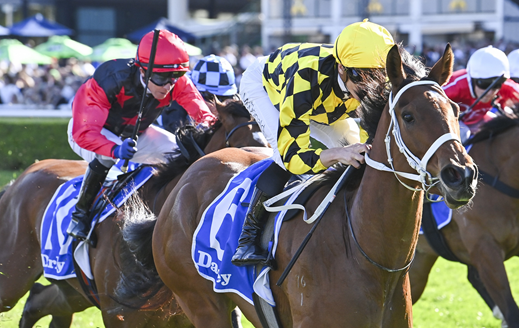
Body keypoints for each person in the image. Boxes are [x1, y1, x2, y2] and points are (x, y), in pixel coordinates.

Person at [232, 19, 395, 266]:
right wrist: (337, 153)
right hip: (269, 89)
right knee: (283, 157)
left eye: (377, 77)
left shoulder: (369, 83)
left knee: (361, 152)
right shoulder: (305, 78)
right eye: (359, 76)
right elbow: (294, 156)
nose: (368, 88)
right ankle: (247, 238)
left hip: (324, 103)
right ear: (341, 68)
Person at [66, 29, 215, 239]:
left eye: (176, 76)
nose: (169, 85)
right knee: (110, 161)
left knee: (180, 154)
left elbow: (204, 115)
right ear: (143, 70)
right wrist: (115, 149)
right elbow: (84, 132)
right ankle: (80, 215)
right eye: (162, 78)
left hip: (137, 136)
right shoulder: (110, 78)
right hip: (94, 134)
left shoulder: (175, 82)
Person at [443, 45, 519, 141]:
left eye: (497, 85)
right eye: (484, 84)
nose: (491, 91)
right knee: (464, 133)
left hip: (478, 121)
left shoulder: (505, 85)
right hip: (450, 123)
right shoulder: (454, 85)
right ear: (472, 78)